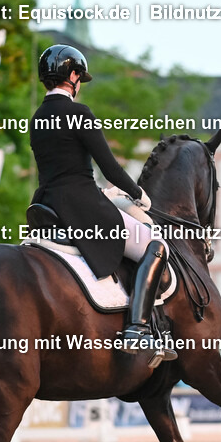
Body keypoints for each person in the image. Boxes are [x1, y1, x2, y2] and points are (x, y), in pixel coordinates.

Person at [29, 45, 173, 361]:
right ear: (73, 76)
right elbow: (109, 167)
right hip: (83, 208)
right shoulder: (79, 114)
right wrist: (137, 193)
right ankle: (138, 329)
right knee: (155, 245)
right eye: (80, 77)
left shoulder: (37, 118)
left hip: (47, 206)